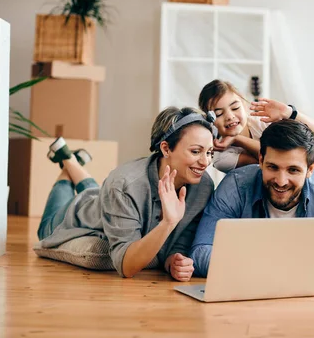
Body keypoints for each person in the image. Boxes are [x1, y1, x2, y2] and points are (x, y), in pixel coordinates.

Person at [37, 107, 216, 281]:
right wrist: (168, 222)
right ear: (166, 149)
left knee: (98, 193)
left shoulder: (203, 186)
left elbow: (180, 241)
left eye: (209, 152)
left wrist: (173, 261)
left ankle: (70, 160)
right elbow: (127, 267)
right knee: (45, 229)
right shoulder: (124, 184)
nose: (205, 161)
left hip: (103, 197)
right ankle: (67, 162)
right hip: (74, 215)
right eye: (195, 151)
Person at [190, 119, 314, 280]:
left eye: (293, 170)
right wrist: (290, 266)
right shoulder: (236, 185)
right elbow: (200, 254)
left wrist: (263, 265)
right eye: (273, 167)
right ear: (260, 160)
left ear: (310, 169)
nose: (281, 181)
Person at [198, 79, 314, 173]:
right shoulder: (222, 157)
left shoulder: (262, 120)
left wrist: (289, 112)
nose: (230, 116)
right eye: (219, 114)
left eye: (235, 107)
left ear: (245, 105)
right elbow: (274, 159)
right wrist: (238, 139)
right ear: (210, 120)